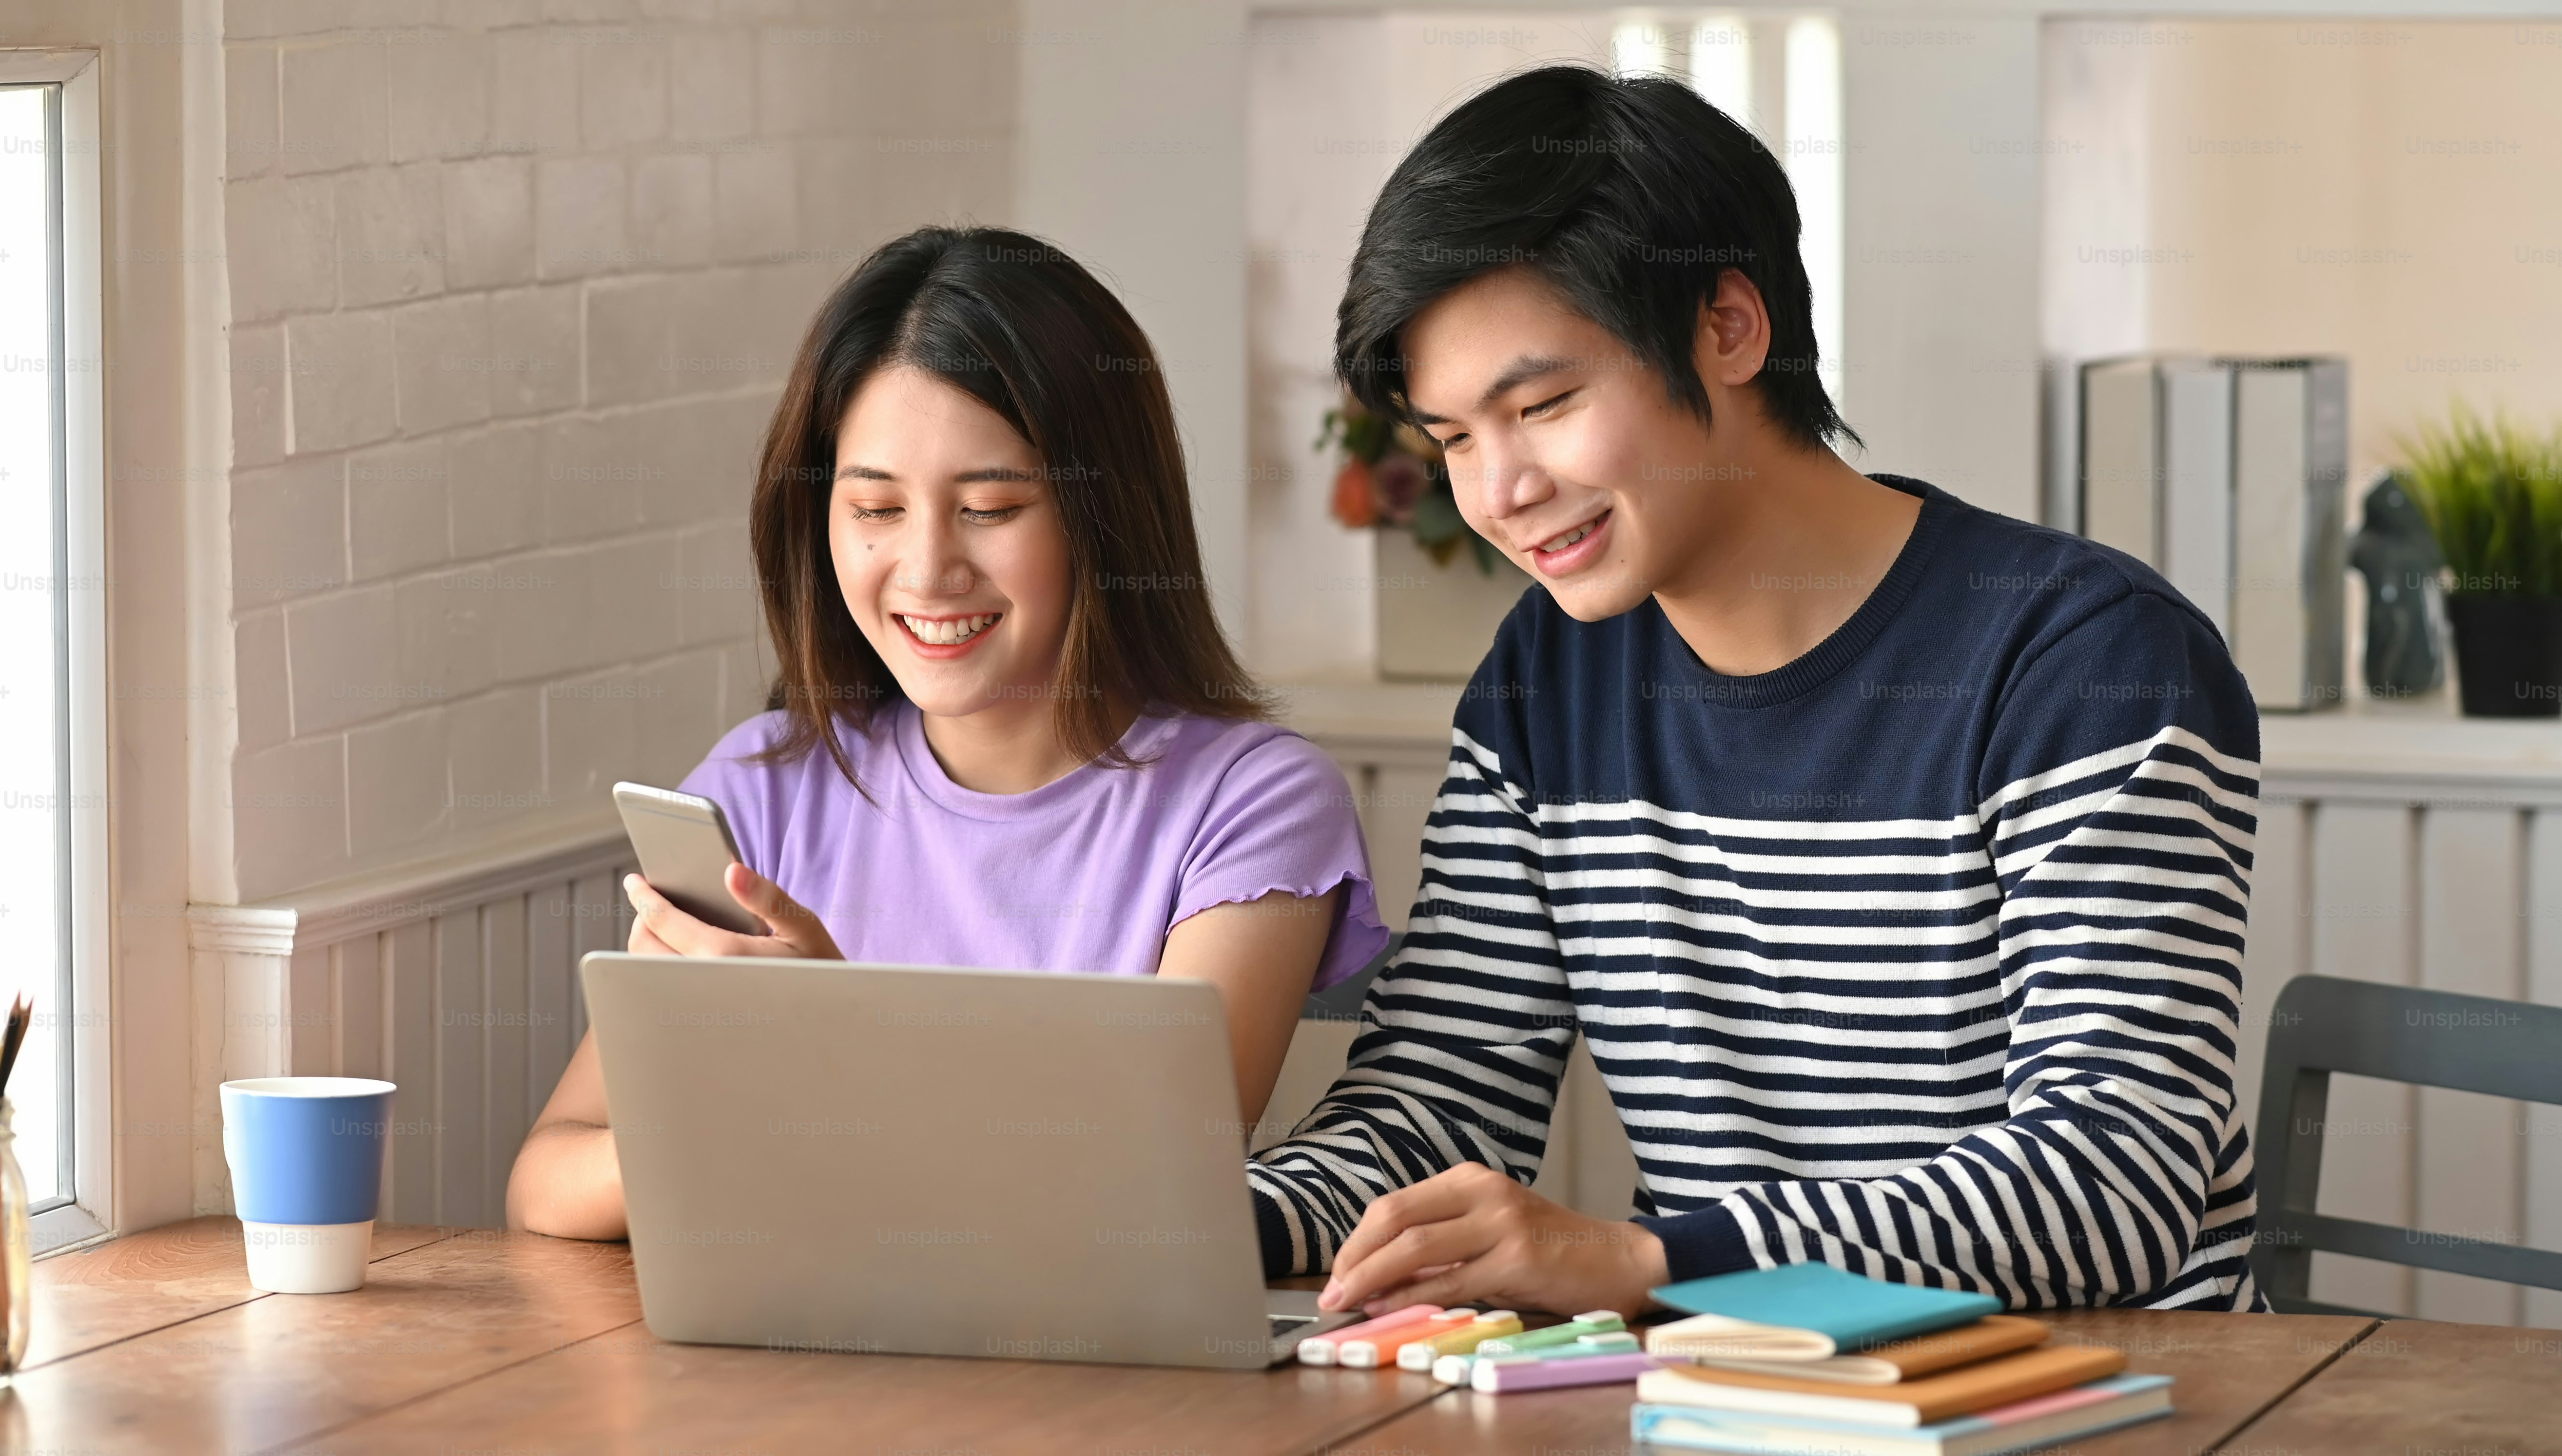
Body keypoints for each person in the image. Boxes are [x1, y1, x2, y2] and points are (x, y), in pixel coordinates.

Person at [1248, 66, 2264, 1318]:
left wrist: (1650, 1263)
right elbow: (1438, 1099)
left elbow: (2115, 1184)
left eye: (1546, 404)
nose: (1497, 491)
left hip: (2103, 1399)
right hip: (1731, 1394)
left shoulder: (2087, 662)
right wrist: (1184, 1223)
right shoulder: (1547, 675)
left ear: (1729, 326)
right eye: (1455, 439)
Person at [509, 227, 1392, 1241]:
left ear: (1105, 515)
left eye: (990, 507)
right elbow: (546, 1181)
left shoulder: (1252, 808)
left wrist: (836, 1054)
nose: (926, 569)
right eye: (875, 506)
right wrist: (744, 1116)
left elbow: (1146, 1182)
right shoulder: (760, 787)